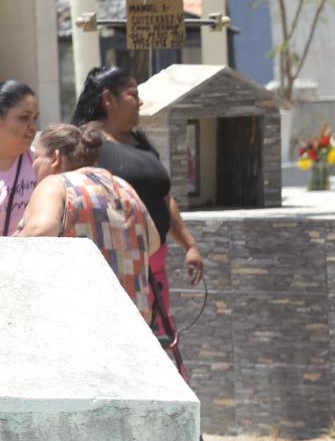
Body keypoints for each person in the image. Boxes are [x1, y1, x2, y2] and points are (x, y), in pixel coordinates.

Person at [71, 66, 205, 341]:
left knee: (159, 339)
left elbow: (164, 197)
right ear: (109, 99)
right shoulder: (87, 143)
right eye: (133, 94)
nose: (140, 102)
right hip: (115, 266)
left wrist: (189, 245)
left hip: (154, 266)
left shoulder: (141, 143)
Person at [19, 124, 159, 321]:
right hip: (134, 327)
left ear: (56, 158)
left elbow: (37, 234)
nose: (33, 165)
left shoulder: (55, 185)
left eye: (37, 157)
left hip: (79, 324)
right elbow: (152, 242)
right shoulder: (124, 187)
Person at [1, 81, 40, 237]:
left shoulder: (40, 163)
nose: (33, 127)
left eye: (35, 118)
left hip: (26, 259)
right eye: (24, 118)